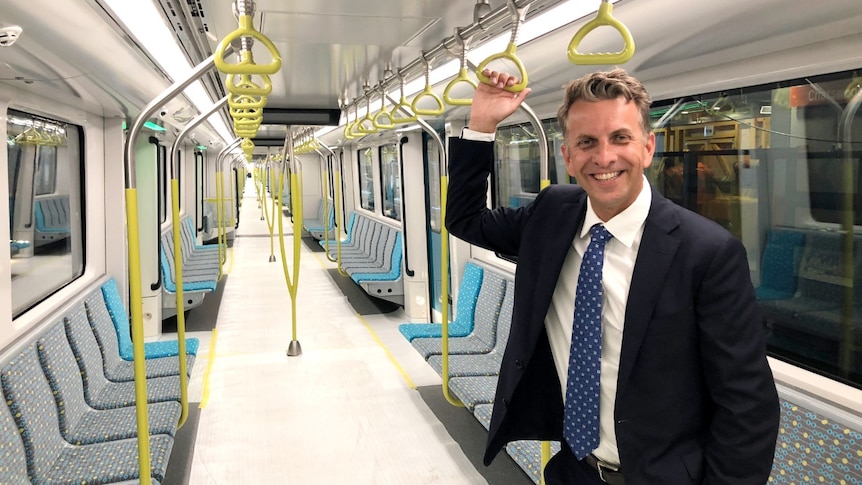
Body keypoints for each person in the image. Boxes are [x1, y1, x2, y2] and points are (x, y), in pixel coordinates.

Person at [445, 68, 779, 484]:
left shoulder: (706, 253)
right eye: (587, 142)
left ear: (647, 147)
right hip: (573, 470)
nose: (604, 157)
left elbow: (747, 405)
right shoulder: (551, 215)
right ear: (567, 156)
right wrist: (481, 124)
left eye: (620, 138)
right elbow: (464, 218)